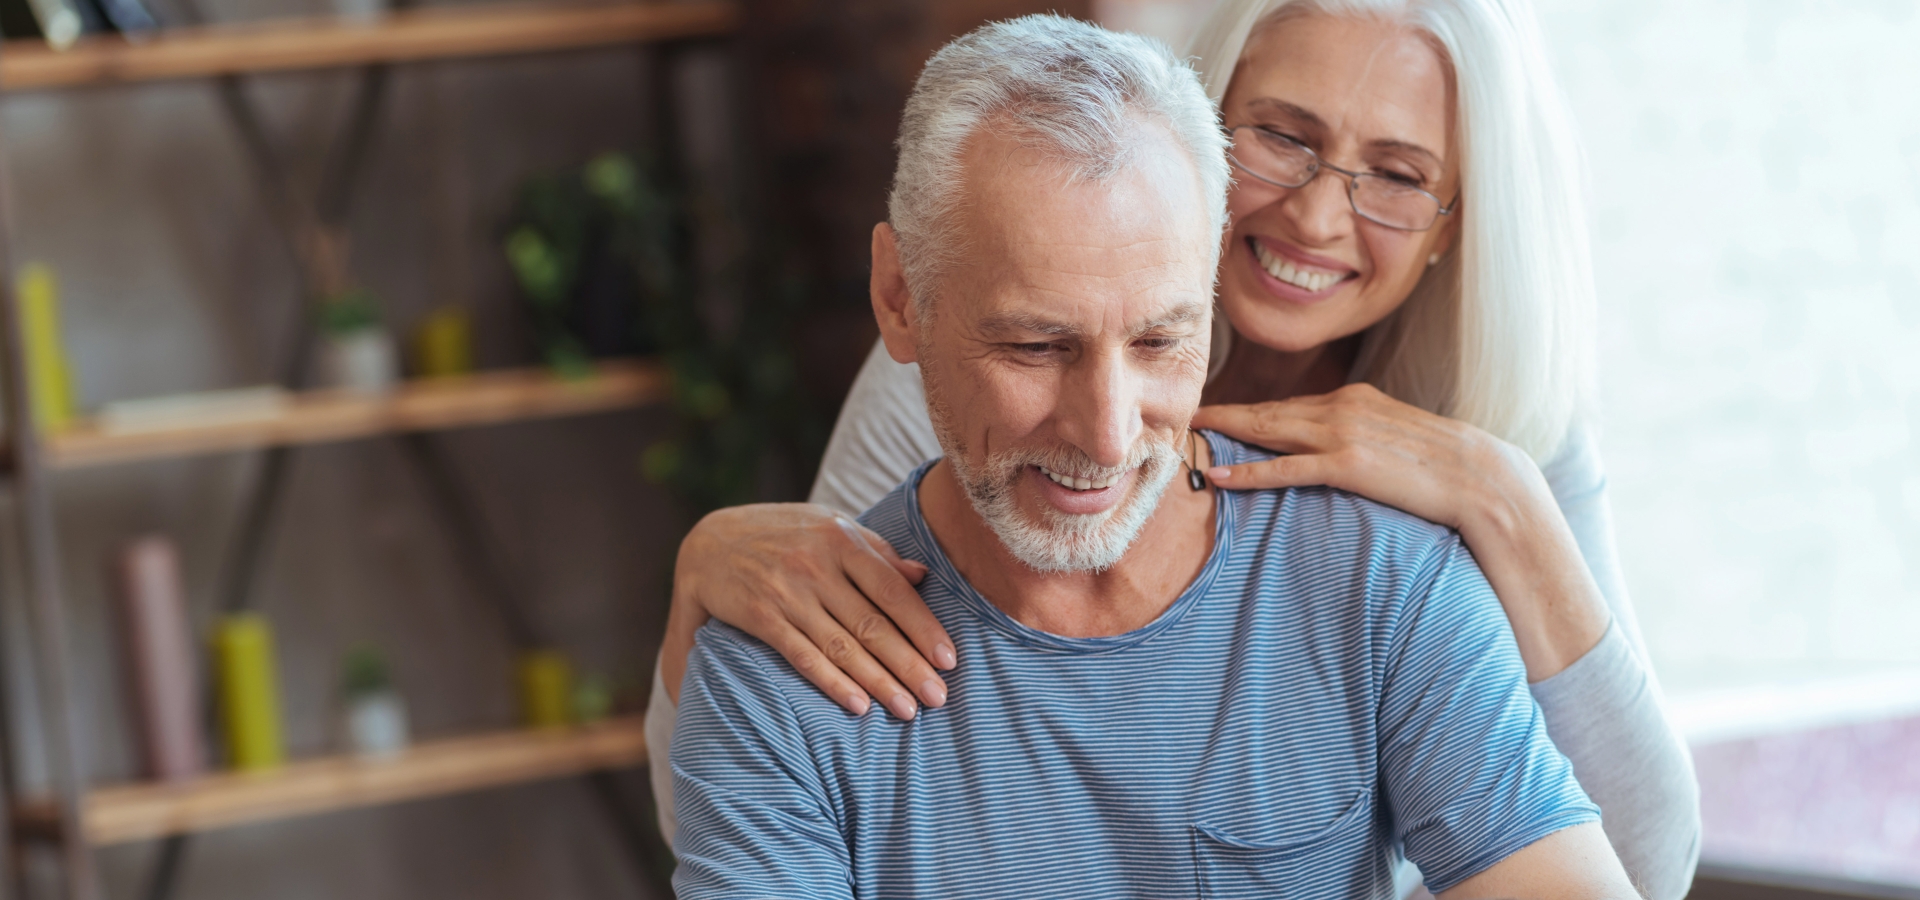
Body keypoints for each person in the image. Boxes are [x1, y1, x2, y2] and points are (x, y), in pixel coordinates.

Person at [655, 0, 1699, 896]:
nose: (1317, 213)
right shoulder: (927, 375)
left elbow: (1646, 858)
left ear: (1451, 225)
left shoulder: (1408, 554)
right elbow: (742, 753)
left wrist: (1503, 499)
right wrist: (710, 579)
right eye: (1285, 137)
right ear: (907, 307)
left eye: (1395, 173)